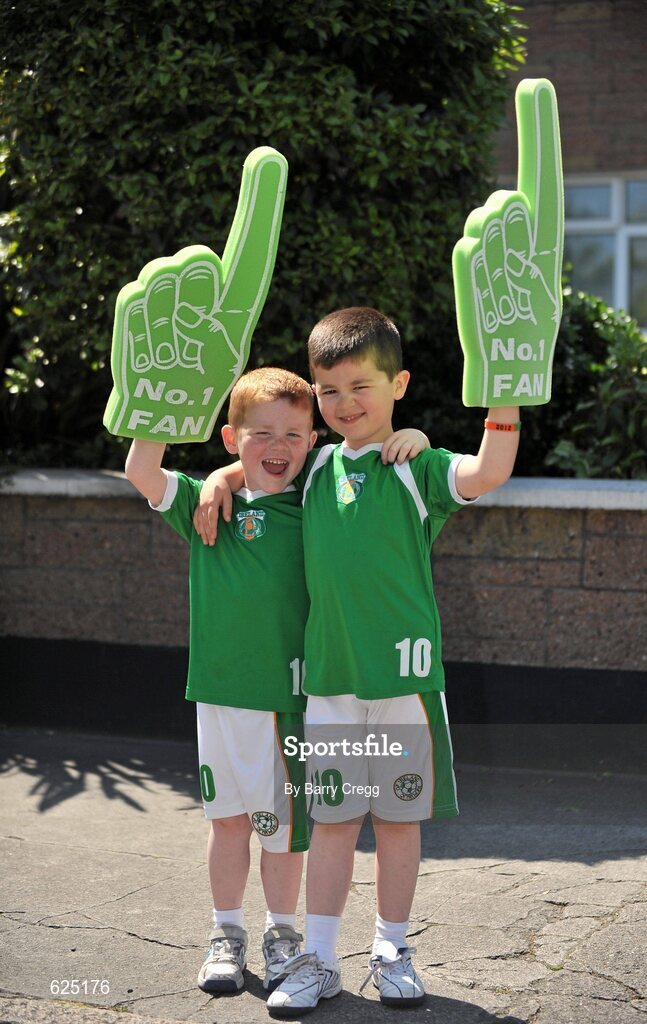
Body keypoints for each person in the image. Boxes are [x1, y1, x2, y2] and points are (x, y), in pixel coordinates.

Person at [195, 308, 520, 1015]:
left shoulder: (418, 467)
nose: (345, 403)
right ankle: (317, 961)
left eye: (360, 387)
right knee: (335, 824)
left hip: (402, 684)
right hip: (330, 687)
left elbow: (492, 469)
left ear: (397, 382)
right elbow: (265, 452)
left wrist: (504, 393)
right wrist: (221, 477)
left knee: (398, 823)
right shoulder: (312, 466)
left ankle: (392, 948)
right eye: (329, 390)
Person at [124, 363, 427, 1001]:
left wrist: (418, 438)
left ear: (313, 441)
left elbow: (372, 461)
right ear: (231, 438)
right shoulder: (210, 504)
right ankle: (225, 932)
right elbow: (141, 473)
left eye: (294, 434)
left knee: (284, 829)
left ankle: (283, 933)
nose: (279, 447)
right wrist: (159, 406)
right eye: (260, 435)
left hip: (292, 699)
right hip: (219, 694)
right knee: (227, 821)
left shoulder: (316, 502)